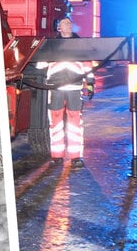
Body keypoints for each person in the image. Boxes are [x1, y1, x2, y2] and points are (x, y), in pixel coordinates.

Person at [43, 17, 95, 169]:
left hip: (74, 87)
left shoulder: (79, 44)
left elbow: (87, 64)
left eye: (69, 23)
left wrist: (90, 83)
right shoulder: (52, 44)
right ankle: (57, 156)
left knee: (75, 123)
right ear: (58, 28)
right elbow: (41, 64)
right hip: (56, 87)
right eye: (65, 23)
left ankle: (76, 156)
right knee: (55, 122)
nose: (68, 25)